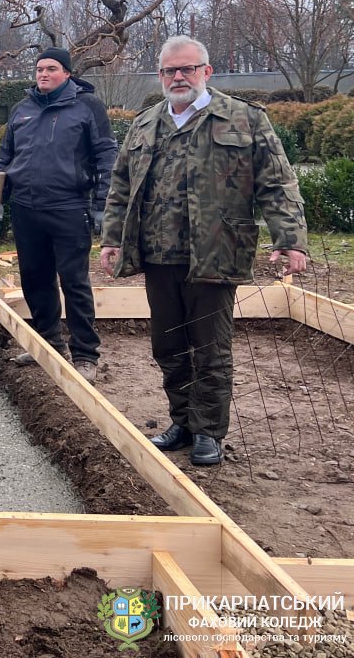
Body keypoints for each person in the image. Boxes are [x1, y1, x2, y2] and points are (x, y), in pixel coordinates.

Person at [99, 36, 307, 467]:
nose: (179, 77)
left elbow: (277, 184)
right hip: (159, 257)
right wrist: (113, 238)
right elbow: (120, 188)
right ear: (160, 76)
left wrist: (289, 239)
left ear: (206, 72)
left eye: (188, 68)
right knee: (168, 346)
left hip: (217, 253)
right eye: (170, 70)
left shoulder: (244, 119)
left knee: (211, 349)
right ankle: (182, 422)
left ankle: (208, 431)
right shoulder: (144, 124)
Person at [0, 46, 118, 382]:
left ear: (67, 73)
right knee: (35, 279)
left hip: (69, 207)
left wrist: (102, 205)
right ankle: (48, 344)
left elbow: (106, 155)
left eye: (51, 69)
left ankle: (85, 354)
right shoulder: (22, 109)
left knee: (74, 281)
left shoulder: (87, 106)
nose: (43, 74)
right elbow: (6, 160)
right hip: (26, 208)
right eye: (39, 69)